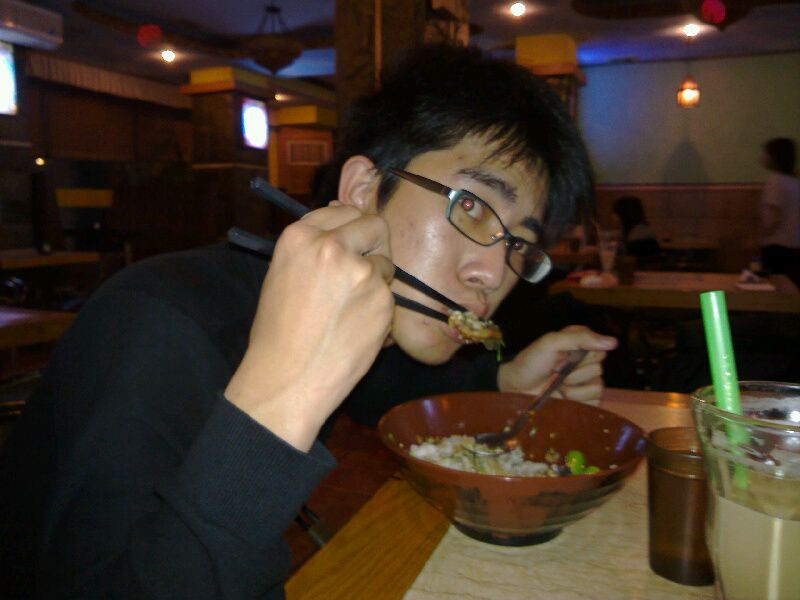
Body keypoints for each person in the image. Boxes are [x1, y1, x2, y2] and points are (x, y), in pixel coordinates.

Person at [0, 44, 617, 599]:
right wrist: (280, 399)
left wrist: (505, 380)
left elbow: (379, 388)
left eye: (519, 245)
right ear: (363, 189)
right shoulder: (160, 320)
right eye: (474, 207)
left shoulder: (362, 322)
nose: (492, 272)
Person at [758, 137, 800, 284]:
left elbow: (773, 217)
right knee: (790, 289)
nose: (762, 157)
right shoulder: (794, 182)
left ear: (774, 157)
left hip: (776, 247)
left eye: (765, 153)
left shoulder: (775, 182)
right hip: (795, 245)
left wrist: (761, 235)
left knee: (773, 287)